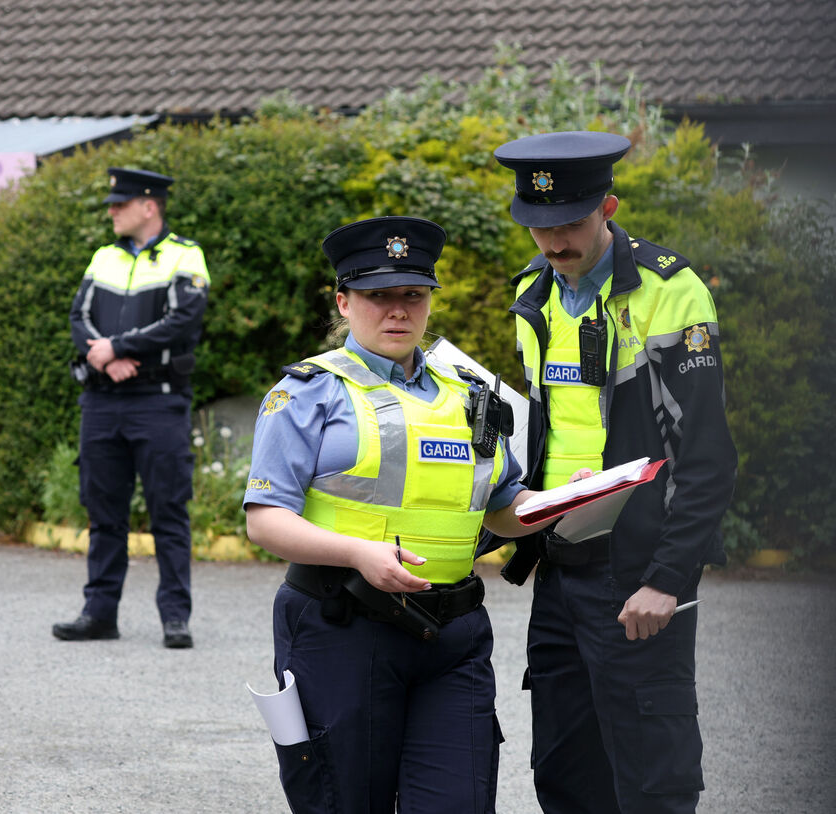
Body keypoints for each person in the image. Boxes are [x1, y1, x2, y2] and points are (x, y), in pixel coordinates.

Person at [243, 215, 564, 814]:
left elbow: (500, 509)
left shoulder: (473, 394)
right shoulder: (309, 392)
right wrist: (360, 554)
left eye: (412, 296)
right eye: (378, 296)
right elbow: (265, 520)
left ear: (428, 303)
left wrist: (556, 505)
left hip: (453, 636)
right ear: (344, 301)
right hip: (344, 628)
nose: (397, 311)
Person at [492, 131, 738, 814]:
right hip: (562, 567)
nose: (553, 240)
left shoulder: (669, 291)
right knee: (565, 774)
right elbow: (544, 429)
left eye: (569, 222)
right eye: (538, 225)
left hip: (636, 573)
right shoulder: (532, 295)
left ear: (609, 205)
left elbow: (709, 457)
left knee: (652, 780)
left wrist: (668, 577)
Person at [56, 167, 210, 649]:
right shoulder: (102, 257)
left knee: (169, 510)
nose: (111, 211)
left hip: (158, 403)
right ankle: (99, 614)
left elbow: (184, 320)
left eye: (119, 204)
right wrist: (105, 357)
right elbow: (78, 317)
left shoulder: (186, 255)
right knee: (103, 513)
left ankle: (175, 618)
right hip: (102, 401)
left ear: (149, 206)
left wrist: (117, 347)